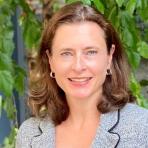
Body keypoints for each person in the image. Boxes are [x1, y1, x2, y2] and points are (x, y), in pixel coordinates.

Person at [16, 1, 148, 148]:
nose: (78, 66)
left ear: (109, 56)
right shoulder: (29, 134)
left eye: (91, 52)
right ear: (50, 60)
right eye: (66, 53)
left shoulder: (143, 129)